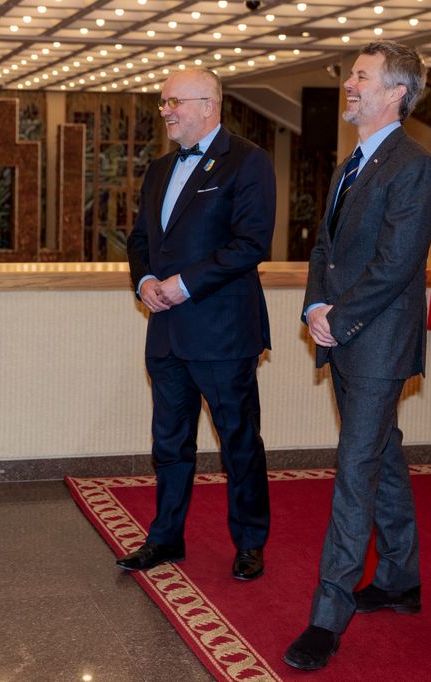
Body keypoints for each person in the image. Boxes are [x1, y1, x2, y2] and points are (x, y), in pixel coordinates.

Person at [284, 41, 431, 670]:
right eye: (352, 76)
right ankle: (402, 580)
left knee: (355, 472)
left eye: (361, 77)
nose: (349, 85)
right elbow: (323, 248)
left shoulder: (416, 168)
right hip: (343, 334)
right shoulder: (350, 162)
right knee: (383, 455)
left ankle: (329, 615)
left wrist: (339, 319)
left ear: (396, 92)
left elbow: (395, 267)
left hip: (377, 343)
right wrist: (313, 309)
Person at [118, 67, 275, 580]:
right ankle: (165, 539)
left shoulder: (249, 162)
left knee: (239, 442)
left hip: (223, 332)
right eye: (163, 102)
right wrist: (144, 283)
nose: (165, 110)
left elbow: (250, 245)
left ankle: (250, 541)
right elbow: (140, 239)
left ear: (208, 105)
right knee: (169, 443)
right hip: (165, 331)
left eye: (173, 102)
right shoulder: (160, 168)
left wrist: (183, 284)